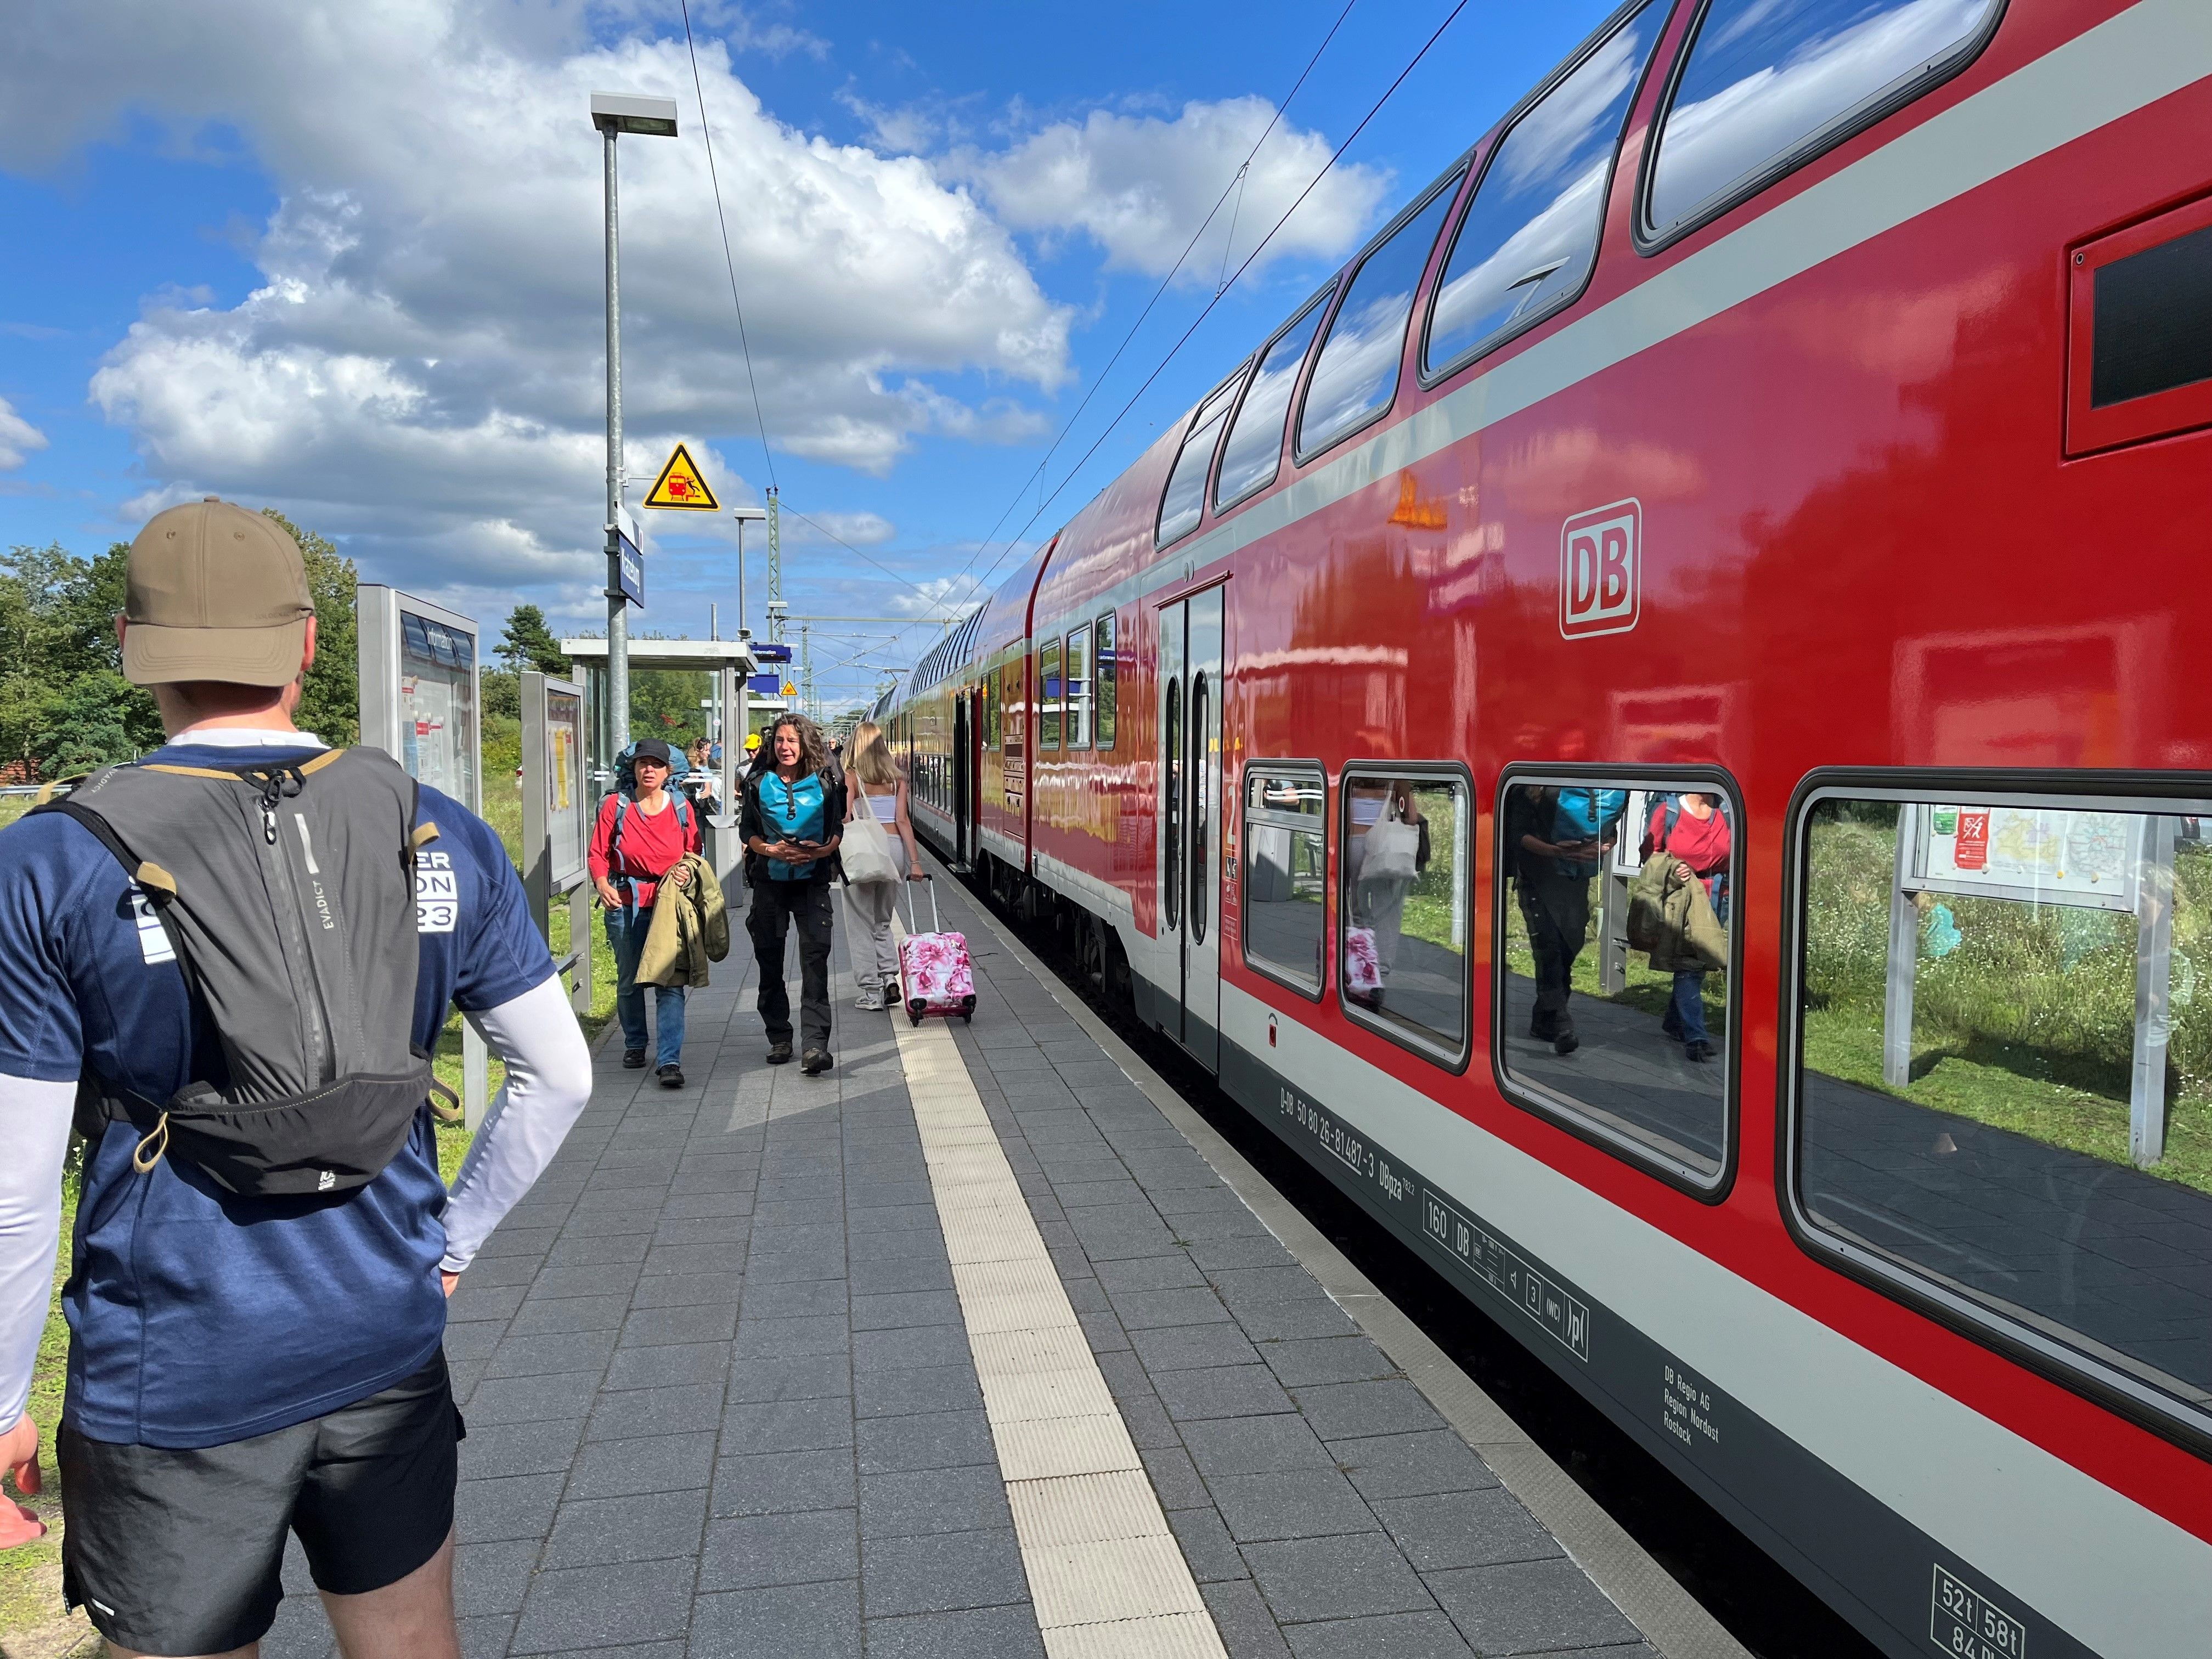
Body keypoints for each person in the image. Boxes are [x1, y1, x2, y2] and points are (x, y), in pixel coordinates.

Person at [0, 498, 593, 1659]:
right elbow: (559, 1077)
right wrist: (452, 1248)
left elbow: (16, 1187)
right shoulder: (438, 829)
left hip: (171, 1369)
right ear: (310, 645)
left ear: (130, 647)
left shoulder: (51, 856)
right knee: (413, 1640)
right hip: (384, 1336)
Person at [590, 737, 702, 1087]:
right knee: (629, 979)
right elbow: (598, 852)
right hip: (624, 901)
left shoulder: (682, 807)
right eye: (642, 763)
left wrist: (686, 869)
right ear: (633, 769)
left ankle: (669, 1060)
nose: (648, 769)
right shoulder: (616, 806)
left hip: (668, 904)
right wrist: (601, 883)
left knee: (670, 982)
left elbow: (694, 852)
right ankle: (635, 1042)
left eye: (656, 764)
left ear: (669, 771)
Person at [741, 714, 844, 1073]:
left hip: (812, 883)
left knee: (815, 964)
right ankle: (779, 1036)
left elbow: (836, 832)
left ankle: (816, 1046)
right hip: (769, 883)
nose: (785, 747)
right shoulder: (757, 781)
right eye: (780, 740)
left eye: (793, 741)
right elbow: (748, 832)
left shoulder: (828, 782)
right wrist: (772, 851)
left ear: (805, 745)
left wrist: (817, 852)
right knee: (770, 962)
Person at [1508, 783, 1628, 1055]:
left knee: (1569, 946)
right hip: (1537, 877)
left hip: (1574, 879)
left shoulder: (1592, 787)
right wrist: (1558, 851)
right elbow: (1518, 835)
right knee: (1548, 948)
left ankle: (1544, 1018)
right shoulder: (1529, 785)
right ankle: (1561, 1022)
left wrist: (1603, 846)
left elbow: (1611, 831)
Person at [842, 720, 927, 1012]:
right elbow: (903, 821)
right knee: (883, 920)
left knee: (860, 922)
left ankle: (870, 992)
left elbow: (844, 817)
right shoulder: (897, 779)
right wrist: (915, 862)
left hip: (864, 850)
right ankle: (890, 977)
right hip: (894, 849)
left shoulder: (851, 776)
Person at [1643, 792, 1731, 1063]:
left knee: (1698, 967)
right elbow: (1650, 856)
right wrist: (1673, 868)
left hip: (1720, 896)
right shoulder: (1669, 812)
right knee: (1689, 969)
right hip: (1683, 900)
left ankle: (1674, 1022)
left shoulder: (1728, 809)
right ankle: (1696, 1037)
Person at [1344, 778, 1429, 1001]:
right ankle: (1379, 973)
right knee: (1388, 914)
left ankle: (1360, 971)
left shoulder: (1355, 775)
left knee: (1358, 911)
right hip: (1384, 850)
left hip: (1353, 845)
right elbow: (1410, 817)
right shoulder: (1395, 776)